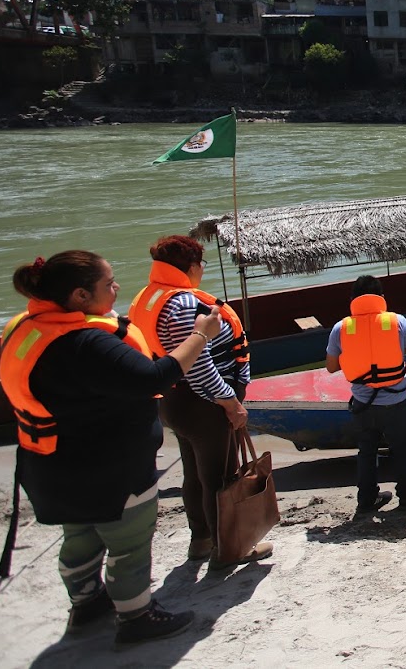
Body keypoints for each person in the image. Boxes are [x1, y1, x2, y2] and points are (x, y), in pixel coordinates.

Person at [0, 251, 221, 645]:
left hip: (51, 464)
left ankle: (86, 603)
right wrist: (201, 334)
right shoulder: (87, 343)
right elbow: (156, 374)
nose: (117, 287)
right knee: (129, 544)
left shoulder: (27, 326)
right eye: (109, 283)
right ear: (81, 296)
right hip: (108, 468)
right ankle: (136, 617)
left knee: (80, 534)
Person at [128, 235, 272, 571]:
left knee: (196, 474)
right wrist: (230, 403)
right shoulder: (182, 306)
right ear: (192, 266)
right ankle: (229, 548)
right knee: (220, 479)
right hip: (203, 404)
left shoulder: (149, 298)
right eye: (201, 266)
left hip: (174, 402)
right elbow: (198, 364)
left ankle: (202, 540)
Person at [326, 276, 406, 513]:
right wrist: (405, 379)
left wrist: (356, 360)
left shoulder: (341, 327)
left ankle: (367, 500)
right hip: (396, 402)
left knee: (367, 452)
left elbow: (330, 366)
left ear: (353, 300)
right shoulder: (397, 321)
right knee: (402, 449)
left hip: (362, 404)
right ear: (381, 298)